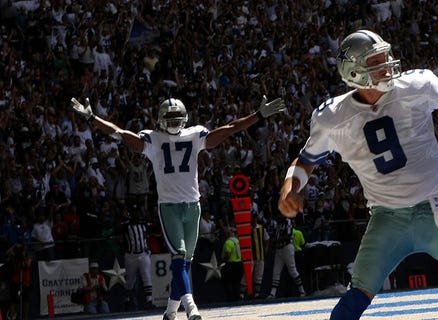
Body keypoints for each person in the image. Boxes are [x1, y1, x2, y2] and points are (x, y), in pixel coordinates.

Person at [278, 29, 438, 320]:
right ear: (355, 72)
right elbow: (304, 161)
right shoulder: (332, 117)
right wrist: (290, 187)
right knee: (356, 296)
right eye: (376, 60)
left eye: (385, 56)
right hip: (387, 218)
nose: (388, 63)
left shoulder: (415, 86)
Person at [70, 95, 285, 320]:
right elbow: (120, 134)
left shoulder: (193, 134)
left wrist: (258, 115)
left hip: (193, 206)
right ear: (161, 119)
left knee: (184, 263)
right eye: (170, 117)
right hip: (170, 208)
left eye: (177, 117)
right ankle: (192, 309)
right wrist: (93, 119)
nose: (173, 122)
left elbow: (229, 128)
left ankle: (171, 312)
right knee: (180, 258)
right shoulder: (153, 139)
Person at [119, 205, 153, 309]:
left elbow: (151, 227)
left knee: (146, 276)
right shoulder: (126, 226)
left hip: (143, 253)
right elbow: (119, 227)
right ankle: (127, 301)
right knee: (130, 280)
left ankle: (149, 301)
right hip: (131, 255)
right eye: (134, 213)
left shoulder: (143, 225)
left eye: (137, 213)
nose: (136, 215)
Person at [266, 216, 306, 298]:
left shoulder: (288, 222)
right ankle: (272, 293)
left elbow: (287, 236)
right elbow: (271, 232)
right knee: (276, 271)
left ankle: (302, 291)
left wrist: (276, 240)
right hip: (279, 249)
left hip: (287, 248)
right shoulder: (275, 223)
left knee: (292, 270)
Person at [220, 227, 243, 302]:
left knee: (228, 282)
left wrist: (222, 261)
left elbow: (228, 255)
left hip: (231, 264)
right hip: (239, 263)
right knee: (237, 283)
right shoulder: (236, 241)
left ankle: (230, 299)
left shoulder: (228, 242)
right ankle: (237, 297)